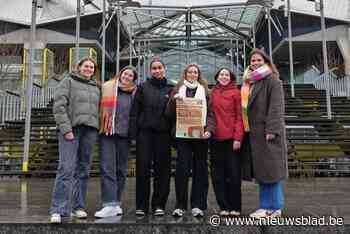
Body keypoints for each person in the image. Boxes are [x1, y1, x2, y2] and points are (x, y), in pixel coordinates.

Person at [50, 57, 101, 223]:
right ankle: (58, 209)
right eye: (86, 66)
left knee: (84, 170)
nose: (88, 69)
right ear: (79, 67)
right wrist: (66, 129)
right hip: (72, 129)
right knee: (66, 168)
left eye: (91, 67)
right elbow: (59, 106)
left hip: (90, 131)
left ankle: (78, 207)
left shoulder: (96, 87)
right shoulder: (68, 81)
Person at [240, 48, 288, 219]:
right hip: (255, 134)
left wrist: (272, 130)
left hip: (268, 134)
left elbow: (276, 107)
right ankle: (265, 206)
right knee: (263, 172)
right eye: (252, 61)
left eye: (258, 60)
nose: (255, 63)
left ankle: (274, 207)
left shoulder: (272, 80)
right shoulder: (251, 82)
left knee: (271, 172)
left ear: (266, 62)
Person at [165, 63, 216, 218]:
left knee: (200, 169)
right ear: (185, 74)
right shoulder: (177, 90)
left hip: (201, 135)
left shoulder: (206, 92)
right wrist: (174, 101)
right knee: (182, 169)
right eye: (190, 72)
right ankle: (180, 205)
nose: (192, 74)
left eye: (195, 72)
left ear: (199, 74)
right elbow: (168, 114)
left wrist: (209, 130)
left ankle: (198, 205)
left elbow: (211, 114)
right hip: (182, 136)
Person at [130, 57, 173, 216]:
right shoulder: (142, 88)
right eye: (154, 68)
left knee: (163, 171)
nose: (157, 70)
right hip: (145, 134)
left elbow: (175, 114)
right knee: (143, 170)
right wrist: (133, 135)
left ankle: (159, 205)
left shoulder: (171, 89)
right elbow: (134, 113)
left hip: (163, 135)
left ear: (164, 69)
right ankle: (141, 206)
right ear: (150, 71)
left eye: (159, 67)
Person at [94, 66, 138, 218]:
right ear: (120, 74)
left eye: (131, 75)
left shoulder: (135, 92)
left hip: (124, 135)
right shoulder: (107, 87)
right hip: (107, 132)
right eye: (125, 73)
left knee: (121, 170)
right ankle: (109, 203)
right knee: (107, 168)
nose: (127, 76)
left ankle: (116, 202)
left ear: (133, 79)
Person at [210, 67, 244, 217]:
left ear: (231, 78)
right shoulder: (212, 93)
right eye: (221, 74)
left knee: (234, 175)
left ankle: (235, 206)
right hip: (215, 139)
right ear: (217, 77)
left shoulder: (236, 93)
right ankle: (223, 206)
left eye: (227, 75)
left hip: (231, 140)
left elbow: (239, 117)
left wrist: (238, 138)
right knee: (218, 176)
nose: (224, 77)